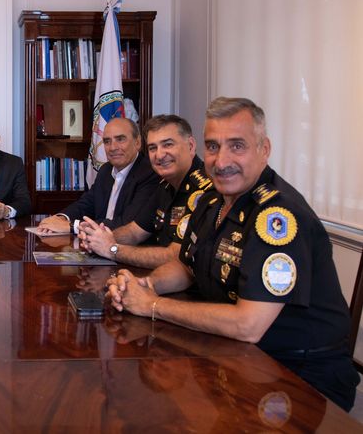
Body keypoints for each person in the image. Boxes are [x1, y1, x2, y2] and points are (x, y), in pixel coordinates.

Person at [106, 97, 359, 411]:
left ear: (264, 149)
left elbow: (248, 325)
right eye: (213, 146)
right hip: (238, 356)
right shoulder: (213, 199)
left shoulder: (276, 217)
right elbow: (185, 267)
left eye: (237, 146)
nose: (221, 160)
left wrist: (153, 306)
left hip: (299, 375)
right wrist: (145, 287)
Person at [78, 114, 213, 268]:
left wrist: (112, 249)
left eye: (168, 145)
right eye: (153, 148)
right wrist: (98, 239)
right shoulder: (165, 184)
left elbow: (175, 257)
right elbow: (135, 231)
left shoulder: (205, 191)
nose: (160, 155)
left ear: (191, 145)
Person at [37, 117, 158, 234]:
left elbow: (127, 224)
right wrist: (61, 218)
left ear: (137, 142)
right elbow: (86, 204)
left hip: (128, 249)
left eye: (120, 139)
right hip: (99, 246)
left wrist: (72, 226)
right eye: (107, 141)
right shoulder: (106, 170)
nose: (113, 147)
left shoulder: (149, 173)